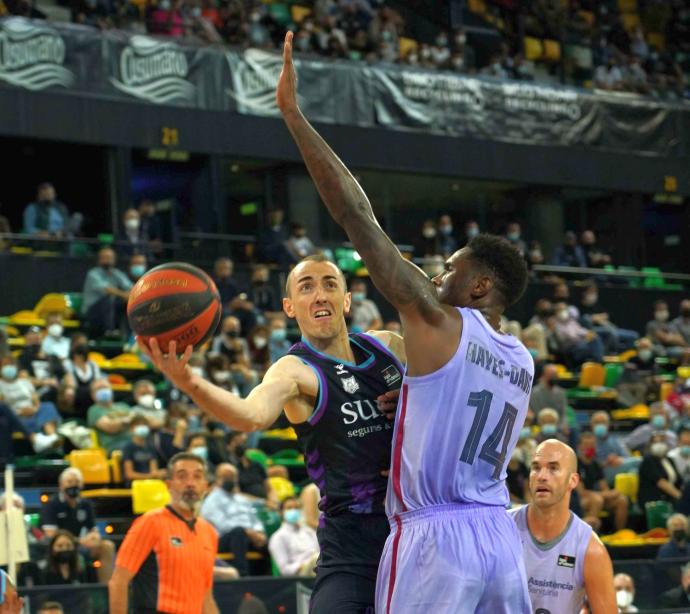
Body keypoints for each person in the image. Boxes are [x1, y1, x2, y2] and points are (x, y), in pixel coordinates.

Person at [276, 31, 532, 613]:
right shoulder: (520, 358)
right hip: (498, 531)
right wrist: (412, 408)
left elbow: (353, 211)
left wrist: (293, 117)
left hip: (436, 537)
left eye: (450, 270)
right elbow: (455, 403)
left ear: (481, 286)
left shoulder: (437, 321)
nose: (437, 279)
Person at [138, 251, 406, 613]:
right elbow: (251, 415)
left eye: (330, 284)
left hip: (417, 523)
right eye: (306, 287)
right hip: (354, 542)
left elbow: (453, 392)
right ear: (290, 307)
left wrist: (416, 400)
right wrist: (188, 382)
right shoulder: (293, 370)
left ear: (346, 301)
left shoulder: (389, 346)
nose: (320, 294)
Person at [509, 440, 616, 613]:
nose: (542, 476)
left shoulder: (591, 550)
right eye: (536, 468)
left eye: (553, 468)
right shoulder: (501, 528)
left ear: (573, 480)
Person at [108, 452, 219, 614]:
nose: (190, 483)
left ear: (206, 486)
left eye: (197, 477)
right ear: (168, 484)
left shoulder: (209, 532)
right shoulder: (150, 522)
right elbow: (119, 581)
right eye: (182, 477)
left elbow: (206, 597)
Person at [40, 467, 116, 583]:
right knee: (64, 548)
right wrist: (80, 541)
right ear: (61, 485)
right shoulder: (51, 504)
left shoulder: (86, 504)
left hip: (79, 545)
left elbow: (93, 530)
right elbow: (51, 534)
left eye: (77, 482)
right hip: (57, 547)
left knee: (107, 546)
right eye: (70, 482)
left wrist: (94, 538)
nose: (73, 485)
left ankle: (106, 589)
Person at [200, 463, 267, 577]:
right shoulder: (212, 500)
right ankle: (243, 576)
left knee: (266, 541)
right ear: (217, 479)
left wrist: (259, 532)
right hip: (223, 539)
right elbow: (222, 525)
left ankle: (269, 578)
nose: (229, 480)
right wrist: (248, 532)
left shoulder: (241, 499)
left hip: (249, 536)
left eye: (232, 477)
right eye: (226, 477)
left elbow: (254, 518)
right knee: (238, 532)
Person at [81, 247, 132, 338]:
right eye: (104, 257)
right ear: (99, 260)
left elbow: (130, 287)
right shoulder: (93, 274)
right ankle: (109, 331)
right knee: (108, 299)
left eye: (109, 258)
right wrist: (124, 295)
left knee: (127, 303)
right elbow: (107, 289)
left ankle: (128, 335)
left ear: (114, 260)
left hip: (111, 311)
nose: (107, 260)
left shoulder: (117, 273)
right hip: (92, 311)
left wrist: (131, 296)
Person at [268, 496, 320, 576]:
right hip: (299, 574)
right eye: (289, 508)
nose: (294, 510)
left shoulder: (310, 532)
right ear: (281, 512)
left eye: (296, 508)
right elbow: (284, 569)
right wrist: (303, 566)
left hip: (317, 566)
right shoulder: (278, 537)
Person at [121, 416, 166, 485]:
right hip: (134, 485)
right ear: (131, 429)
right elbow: (129, 474)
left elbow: (153, 470)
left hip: (150, 483)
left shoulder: (151, 447)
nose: (142, 428)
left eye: (144, 425)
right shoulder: (128, 448)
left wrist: (160, 473)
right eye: (139, 425)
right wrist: (150, 476)